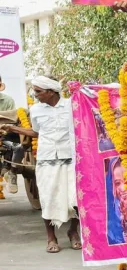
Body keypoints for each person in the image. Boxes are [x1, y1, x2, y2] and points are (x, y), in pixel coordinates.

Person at [0, 76, 80, 252]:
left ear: (51, 91)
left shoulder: (72, 106)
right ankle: (51, 238)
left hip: (71, 158)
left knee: (76, 198)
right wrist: (12, 128)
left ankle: (74, 232)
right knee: (48, 197)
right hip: (46, 159)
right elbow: (36, 132)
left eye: (38, 91)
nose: (35, 95)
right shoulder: (35, 110)